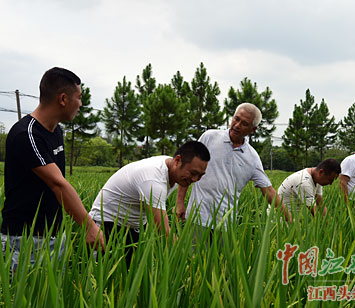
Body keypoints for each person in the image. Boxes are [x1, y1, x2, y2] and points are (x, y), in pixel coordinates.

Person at [1, 67, 105, 271]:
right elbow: (58, 184)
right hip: (24, 240)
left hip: (53, 234)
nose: (81, 104)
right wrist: (90, 226)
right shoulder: (27, 134)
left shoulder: (56, 130)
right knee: (27, 301)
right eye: (79, 97)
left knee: (53, 300)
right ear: (63, 99)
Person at [176, 103, 291, 238]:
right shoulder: (209, 137)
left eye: (244, 123)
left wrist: (290, 219)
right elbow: (187, 170)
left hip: (226, 224)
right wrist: (179, 202)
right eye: (236, 119)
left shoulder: (252, 158)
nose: (237, 125)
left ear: (253, 129)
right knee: (193, 258)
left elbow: (269, 191)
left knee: (222, 259)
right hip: (197, 218)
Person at [89, 141, 210, 265]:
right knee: (103, 278)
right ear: (178, 161)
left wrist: (180, 202)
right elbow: (164, 233)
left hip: (133, 228)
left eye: (200, 175)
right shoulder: (153, 180)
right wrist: (191, 259)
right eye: (193, 173)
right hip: (106, 225)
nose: (195, 180)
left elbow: (185, 180)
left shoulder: (172, 168)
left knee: (127, 277)